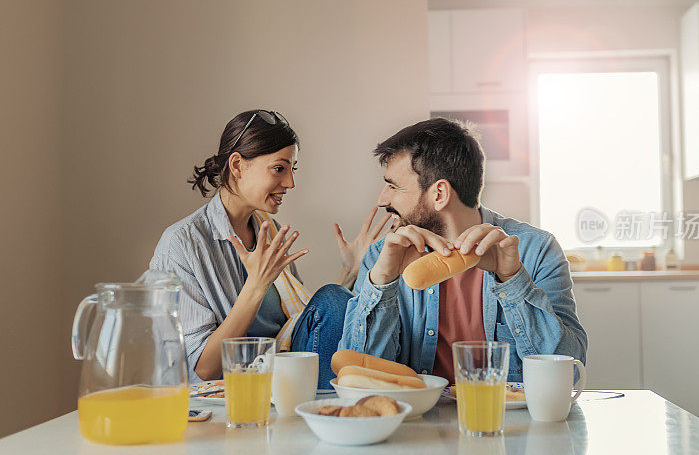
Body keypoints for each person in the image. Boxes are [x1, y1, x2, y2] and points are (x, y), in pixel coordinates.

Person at [149, 109, 393, 387]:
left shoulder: (268, 229)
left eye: (292, 169)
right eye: (280, 168)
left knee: (337, 298)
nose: (290, 182)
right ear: (238, 165)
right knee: (336, 300)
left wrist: (350, 272)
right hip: (231, 389)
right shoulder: (182, 244)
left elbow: (299, 322)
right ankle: (331, 414)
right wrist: (256, 285)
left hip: (281, 372)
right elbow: (204, 368)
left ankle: (332, 413)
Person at [340, 118, 587, 383]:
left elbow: (569, 373)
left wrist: (513, 281)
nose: (382, 200)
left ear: (439, 194)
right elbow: (359, 376)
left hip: (507, 420)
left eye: (393, 186)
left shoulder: (534, 250)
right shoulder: (383, 257)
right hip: (416, 418)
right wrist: (382, 283)